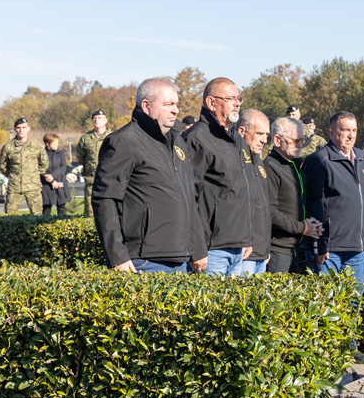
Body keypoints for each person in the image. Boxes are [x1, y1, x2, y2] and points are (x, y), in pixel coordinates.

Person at [92, 78, 204, 273]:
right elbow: (105, 200)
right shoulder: (123, 142)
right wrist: (117, 256)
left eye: (176, 104)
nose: (176, 110)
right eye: (168, 104)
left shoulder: (177, 141)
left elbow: (189, 197)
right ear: (146, 106)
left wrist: (198, 248)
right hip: (145, 261)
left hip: (183, 260)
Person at [183, 77, 255, 277]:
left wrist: (247, 238)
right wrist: (198, 249)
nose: (237, 103)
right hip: (211, 251)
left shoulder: (237, 139)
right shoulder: (196, 138)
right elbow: (188, 197)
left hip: (238, 248)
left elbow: (243, 193)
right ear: (211, 103)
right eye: (231, 98)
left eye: (239, 98)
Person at [302, 111, 364, 297]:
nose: (351, 135)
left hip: (358, 250)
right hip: (330, 251)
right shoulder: (319, 161)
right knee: (327, 301)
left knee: (354, 301)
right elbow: (311, 205)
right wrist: (319, 244)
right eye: (345, 130)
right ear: (331, 132)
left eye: (354, 130)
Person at [264, 117, 323, 273]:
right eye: (295, 141)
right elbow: (270, 211)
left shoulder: (295, 166)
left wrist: (311, 223)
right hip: (277, 250)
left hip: (295, 248)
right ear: (277, 140)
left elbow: (297, 206)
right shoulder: (270, 167)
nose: (300, 145)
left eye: (302, 140)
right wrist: (302, 227)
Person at [236, 109, 272, 276]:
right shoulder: (236, 161)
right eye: (259, 133)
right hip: (244, 253)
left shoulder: (258, 161)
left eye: (266, 134)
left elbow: (262, 208)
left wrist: (265, 248)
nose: (264, 140)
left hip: (261, 253)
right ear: (242, 131)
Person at [0, 117, 48, 215]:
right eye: (18, 128)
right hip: (15, 186)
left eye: (24, 127)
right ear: (15, 129)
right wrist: (13, 176)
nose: (21, 130)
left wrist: (34, 175)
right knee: (10, 216)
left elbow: (44, 163)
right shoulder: (8, 146)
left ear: (28, 128)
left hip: (33, 186)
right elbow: (2, 165)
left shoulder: (36, 145)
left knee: (37, 215)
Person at [76, 110, 111, 218]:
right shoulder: (86, 138)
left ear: (105, 120)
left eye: (99, 118)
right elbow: (80, 157)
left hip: (109, 179)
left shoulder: (113, 136)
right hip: (91, 178)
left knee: (109, 209)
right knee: (90, 210)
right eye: (94, 118)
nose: (96, 120)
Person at [40, 133, 70, 216]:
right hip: (46, 184)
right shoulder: (42, 154)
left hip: (60, 182)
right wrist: (52, 181)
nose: (57, 145)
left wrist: (53, 176)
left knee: (61, 207)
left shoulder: (60, 153)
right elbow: (41, 169)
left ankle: (62, 223)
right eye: (54, 143)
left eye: (57, 143)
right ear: (47, 144)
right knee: (46, 209)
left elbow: (63, 167)